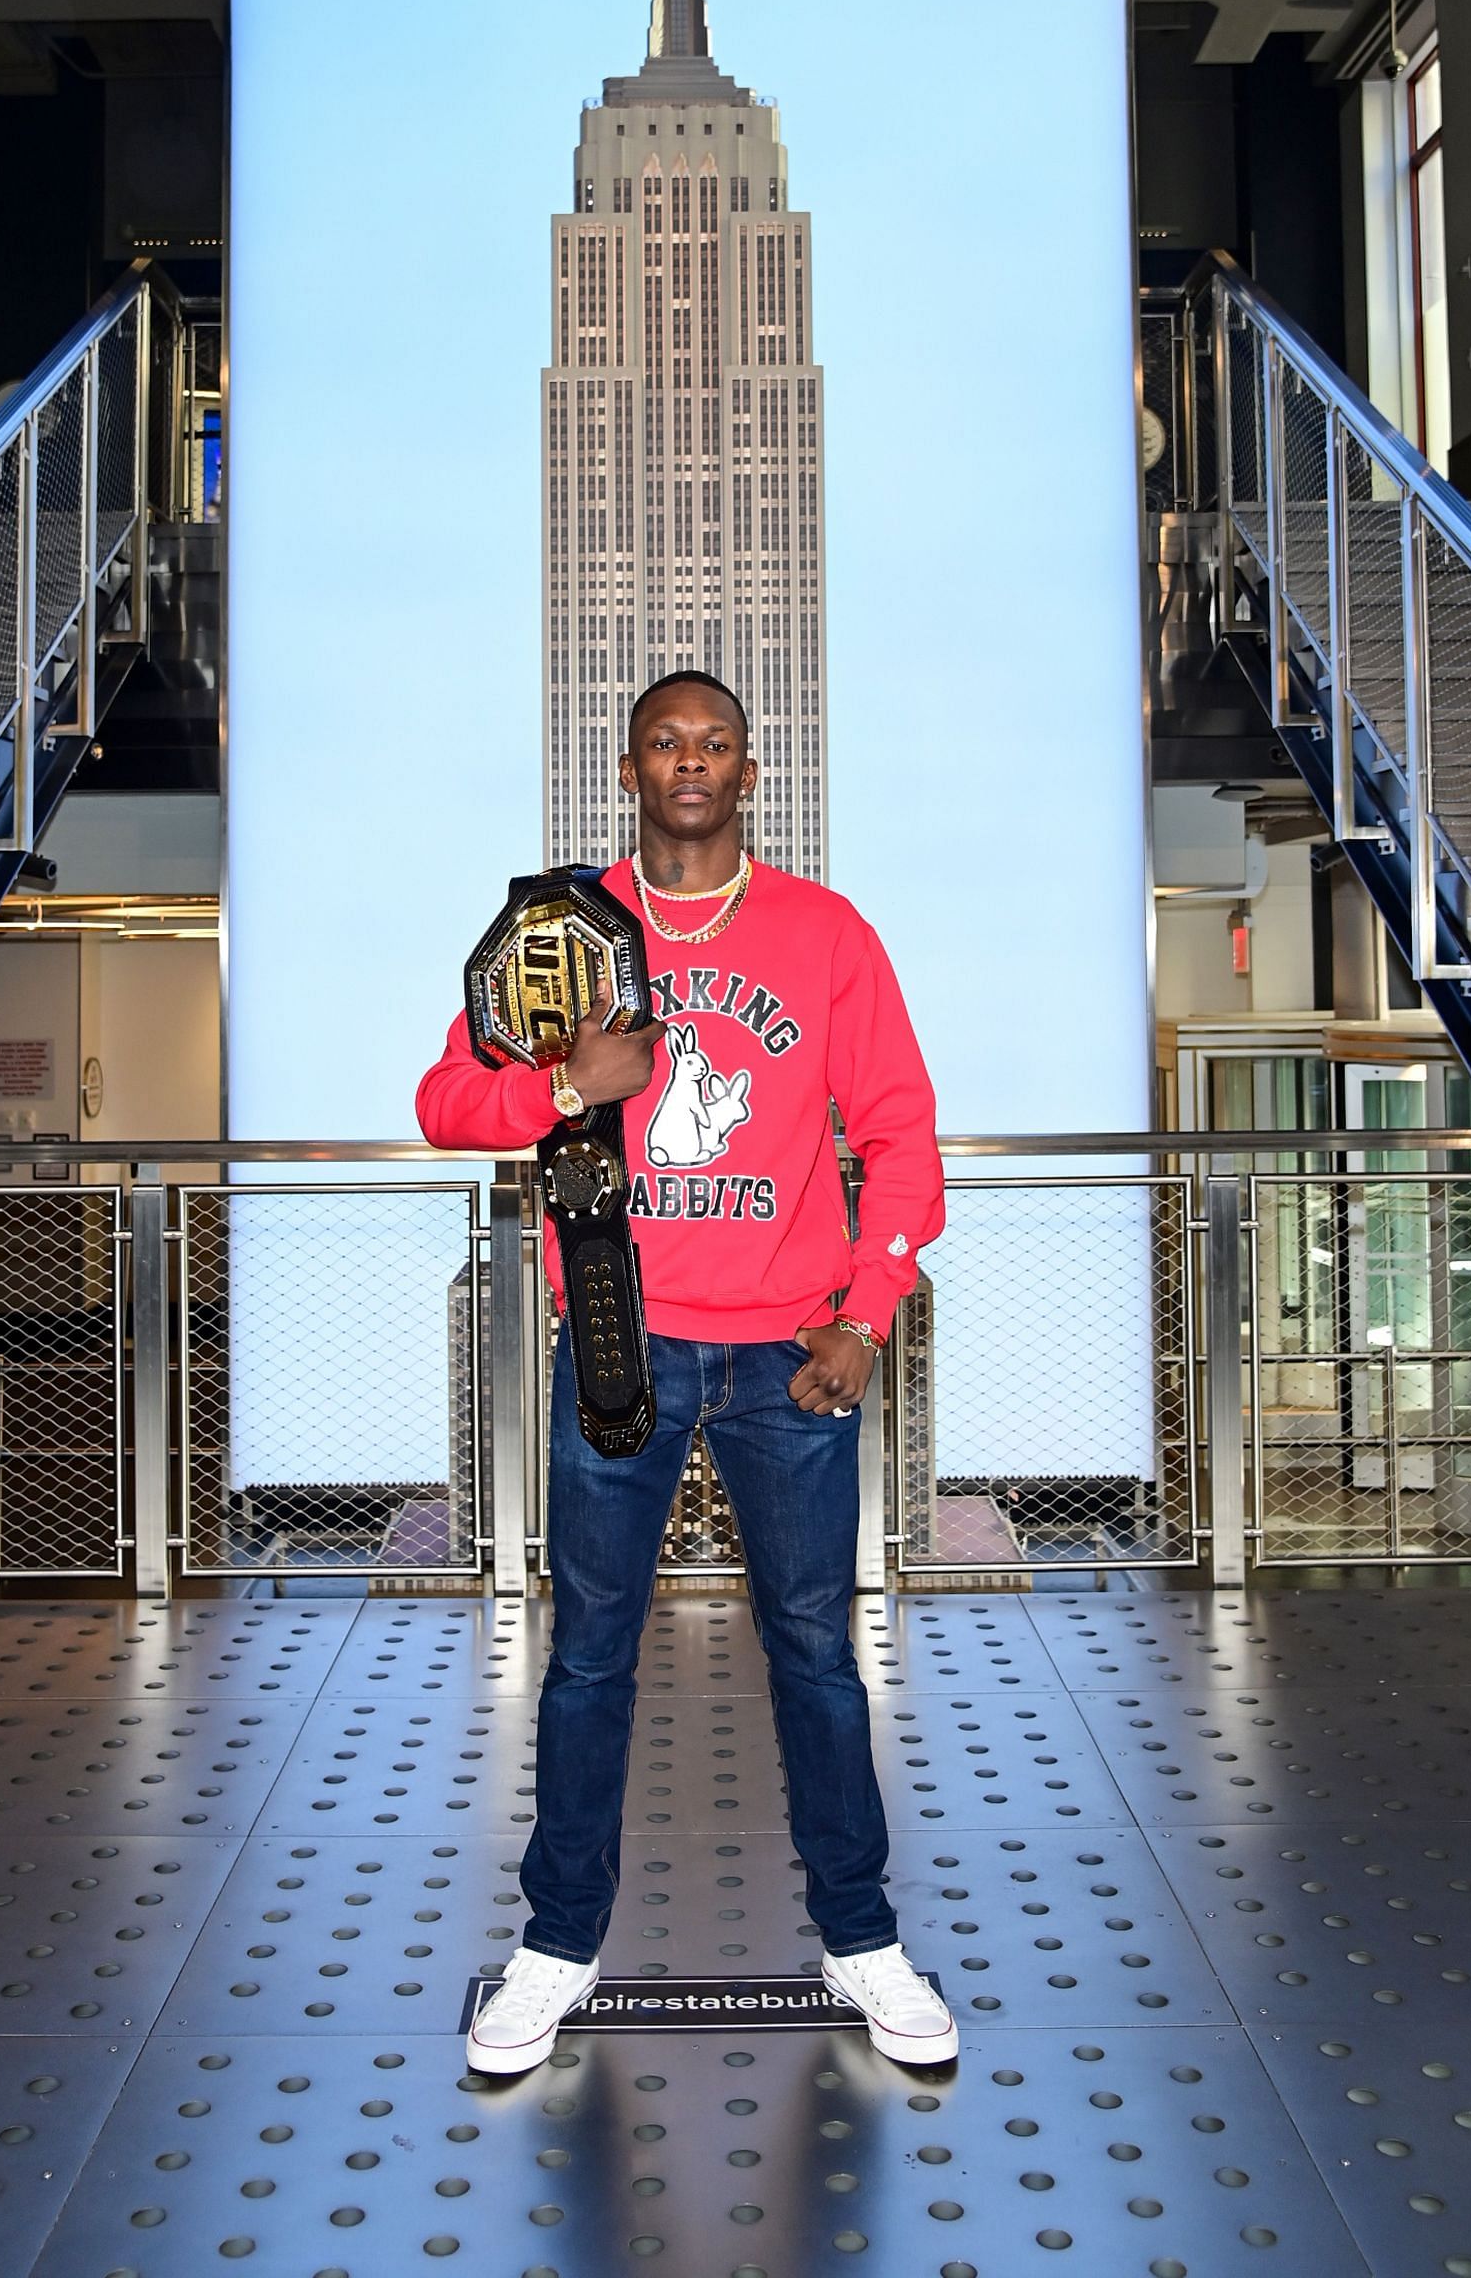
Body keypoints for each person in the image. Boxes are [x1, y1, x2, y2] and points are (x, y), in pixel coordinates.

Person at [418, 671, 955, 2076]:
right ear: (630, 766)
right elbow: (442, 1105)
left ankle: (863, 1939)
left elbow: (902, 1135)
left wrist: (868, 1310)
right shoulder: (562, 930)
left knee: (818, 1657)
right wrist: (557, 1086)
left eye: (715, 742)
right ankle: (554, 1950)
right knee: (589, 1658)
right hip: (618, 1347)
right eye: (667, 742)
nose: (691, 763)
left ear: (751, 771)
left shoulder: (825, 935)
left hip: (791, 1359)